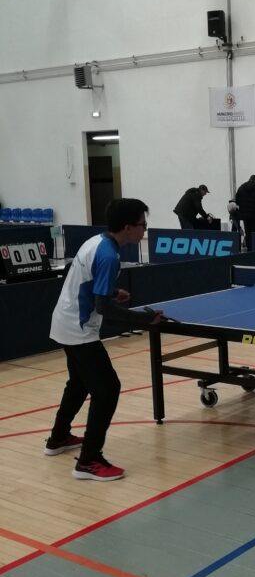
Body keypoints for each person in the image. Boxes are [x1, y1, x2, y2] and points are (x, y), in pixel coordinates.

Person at [45, 199, 164, 481]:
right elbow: (104, 309)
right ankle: (88, 461)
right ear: (128, 227)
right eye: (143, 225)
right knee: (108, 389)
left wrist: (110, 291)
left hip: (65, 321)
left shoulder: (97, 241)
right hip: (79, 330)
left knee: (79, 383)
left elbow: (90, 285)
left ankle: (58, 438)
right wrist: (144, 320)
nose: (144, 230)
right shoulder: (109, 256)